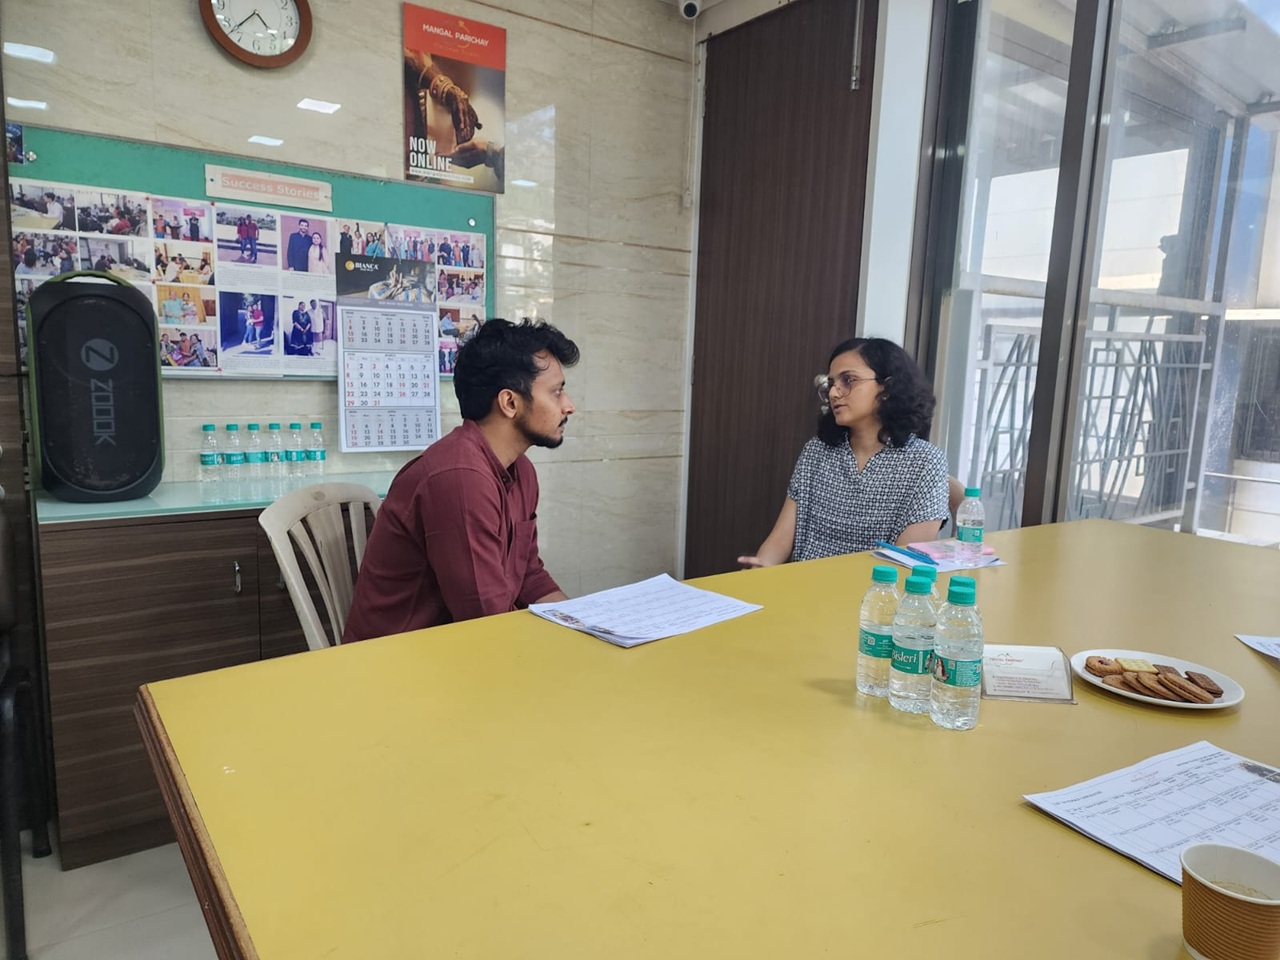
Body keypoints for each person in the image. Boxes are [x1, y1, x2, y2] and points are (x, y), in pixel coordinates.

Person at [344, 319, 578, 641]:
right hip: (399, 658)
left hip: (463, 645)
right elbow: (484, 617)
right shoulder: (459, 478)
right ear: (510, 402)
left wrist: (583, 626)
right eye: (556, 392)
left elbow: (529, 575)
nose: (569, 406)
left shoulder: (521, 471)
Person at [738, 337, 950, 567]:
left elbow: (906, 560)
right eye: (831, 384)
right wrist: (762, 568)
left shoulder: (925, 461)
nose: (833, 393)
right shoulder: (817, 451)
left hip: (877, 587)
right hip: (806, 583)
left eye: (848, 380)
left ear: (887, 388)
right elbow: (781, 538)